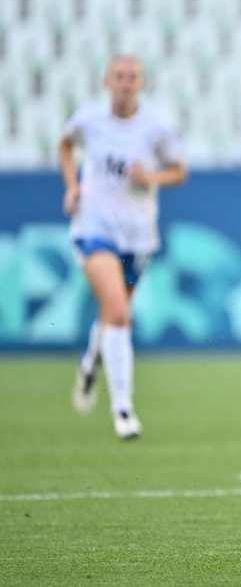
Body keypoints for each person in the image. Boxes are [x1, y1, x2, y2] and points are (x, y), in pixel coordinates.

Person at [60, 55, 187, 439]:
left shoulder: (157, 126)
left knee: (113, 313)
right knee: (118, 312)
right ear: (107, 81)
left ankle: (89, 363)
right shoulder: (89, 120)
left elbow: (179, 171)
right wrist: (72, 185)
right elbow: (65, 147)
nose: (125, 83)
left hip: (137, 234)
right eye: (119, 76)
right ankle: (123, 410)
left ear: (142, 83)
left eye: (132, 77)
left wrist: (151, 177)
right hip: (94, 227)